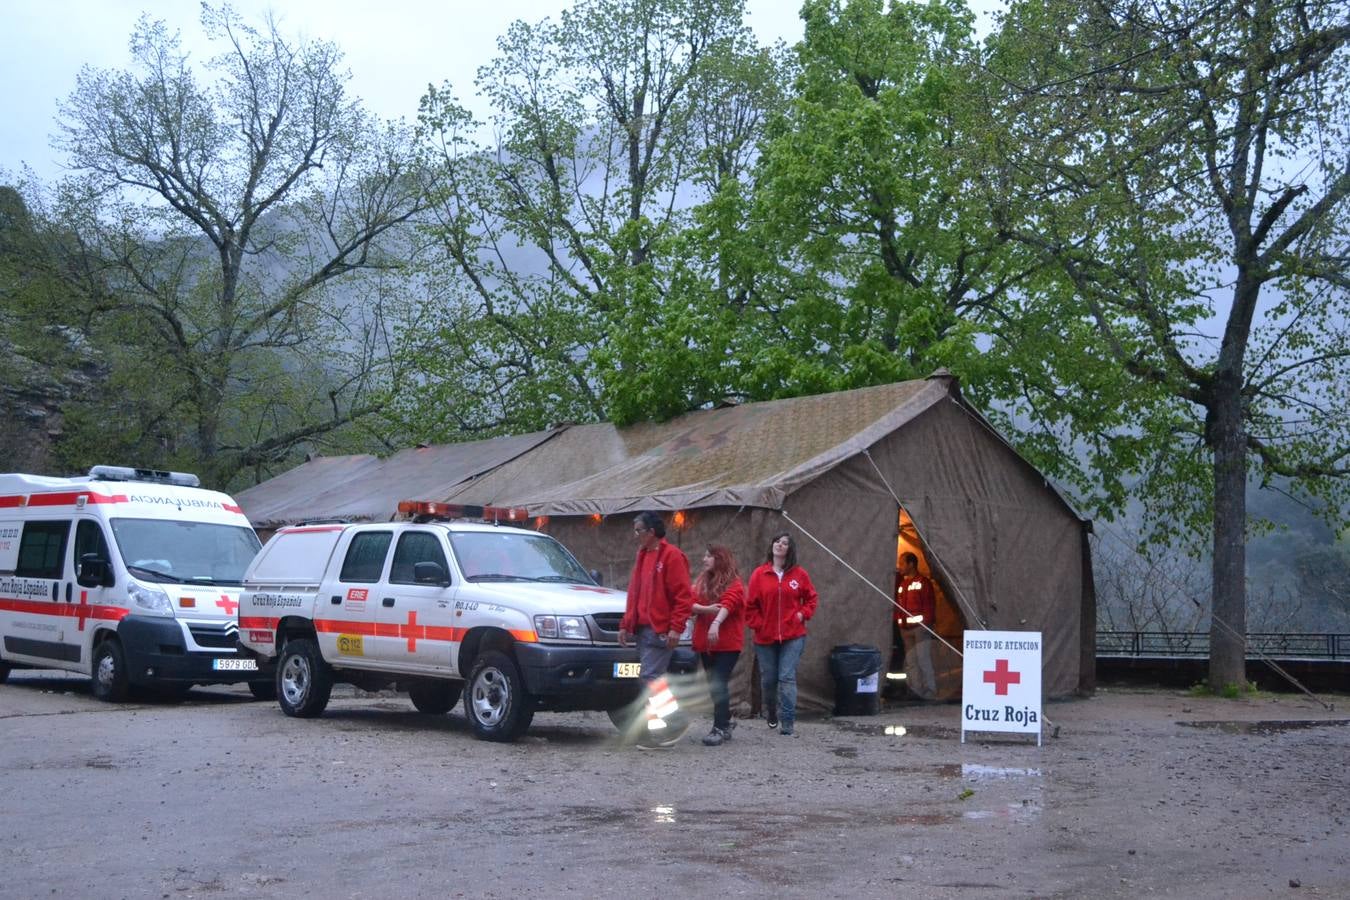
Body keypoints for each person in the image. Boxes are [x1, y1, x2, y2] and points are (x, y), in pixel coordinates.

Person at [618, 511, 694, 747]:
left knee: (651, 678)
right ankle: (658, 732)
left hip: (659, 629)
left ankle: (676, 721)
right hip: (642, 628)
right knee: (649, 680)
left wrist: (675, 628)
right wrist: (626, 624)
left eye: (639, 530)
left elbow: (684, 597)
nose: (636, 535)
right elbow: (634, 594)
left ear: (652, 532)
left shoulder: (672, 556)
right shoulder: (642, 555)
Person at [745, 532, 818, 737]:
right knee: (769, 679)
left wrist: (803, 614)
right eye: (777, 541)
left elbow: (812, 598)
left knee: (786, 676)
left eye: (784, 543)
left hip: (793, 635)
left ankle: (788, 721)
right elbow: (750, 606)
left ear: (790, 549)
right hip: (765, 636)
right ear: (772, 546)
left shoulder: (799, 575)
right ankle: (771, 712)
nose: (779, 545)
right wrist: (759, 624)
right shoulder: (759, 574)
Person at [690, 544, 745, 747]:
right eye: (704, 556)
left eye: (709, 556)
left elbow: (728, 604)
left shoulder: (735, 583)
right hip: (706, 644)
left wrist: (716, 622)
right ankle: (726, 722)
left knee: (718, 683)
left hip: (727, 644)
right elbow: (689, 602)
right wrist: (706, 610)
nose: (704, 559)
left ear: (719, 559)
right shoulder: (702, 582)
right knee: (715, 685)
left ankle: (719, 728)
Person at [896, 551, 937, 700]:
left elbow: (929, 606)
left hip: (921, 629)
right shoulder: (902, 584)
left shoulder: (923, 583)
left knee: (923, 659)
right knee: (911, 661)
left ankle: (930, 692)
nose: (899, 567)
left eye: (902, 563)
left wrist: (926, 624)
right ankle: (916, 691)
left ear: (911, 564)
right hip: (906, 630)